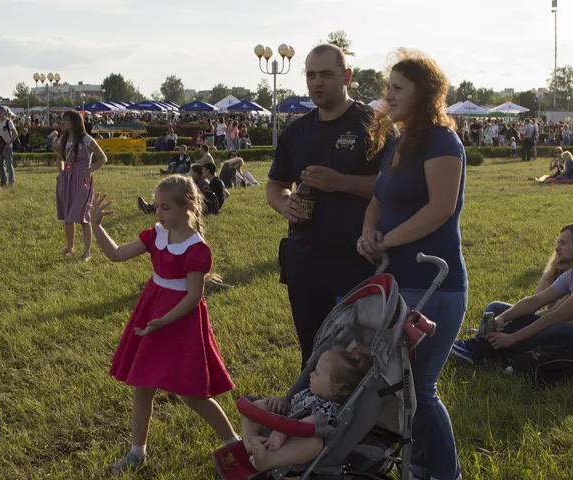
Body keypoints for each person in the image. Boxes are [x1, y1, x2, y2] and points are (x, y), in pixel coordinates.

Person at [356, 49, 466, 480]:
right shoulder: (398, 145)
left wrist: (387, 240)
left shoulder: (443, 141)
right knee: (399, 391)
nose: (388, 96)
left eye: (398, 88)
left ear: (424, 93)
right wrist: (368, 233)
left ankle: (444, 473)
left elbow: (440, 208)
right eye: (388, 88)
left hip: (434, 284)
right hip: (394, 281)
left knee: (419, 390)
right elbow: (378, 199)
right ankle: (418, 467)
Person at [87, 178, 239, 474]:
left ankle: (233, 441)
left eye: (166, 207)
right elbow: (117, 254)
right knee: (142, 386)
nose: (159, 213)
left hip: (180, 321)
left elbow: (194, 296)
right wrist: (96, 226)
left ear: (188, 208)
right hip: (152, 311)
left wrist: (163, 321)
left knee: (191, 394)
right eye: (157, 206)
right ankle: (136, 453)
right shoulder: (155, 235)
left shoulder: (196, 249)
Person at [266, 43, 381, 368]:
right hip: (305, 260)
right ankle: (314, 415)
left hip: (358, 260)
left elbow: (393, 187)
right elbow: (275, 186)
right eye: (311, 75)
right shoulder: (296, 132)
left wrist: (341, 182)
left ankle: (361, 419)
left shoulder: (373, 125)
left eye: (326, 75)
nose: (317, 82)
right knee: (313, 352)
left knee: (359, 356)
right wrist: (285, 204)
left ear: (346, 76)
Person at [451, 224, 573, 384]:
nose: (557, 248)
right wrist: (503, 317)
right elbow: (535, 301)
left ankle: (480, 351)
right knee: (497, 308)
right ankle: (480, 349)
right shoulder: (572, 274)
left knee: (554, 330)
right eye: (557, 243)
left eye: (563, 243)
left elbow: (555, 317)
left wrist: (513, 337)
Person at [240, 346, 373, 471]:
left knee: (314, 442)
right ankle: (250, 443)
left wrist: (283, 431)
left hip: (292, 444)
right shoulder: (309, 393)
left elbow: (316, 422)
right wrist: (281, 402)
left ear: (336, 388)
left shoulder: (330, 408)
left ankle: (268, 460)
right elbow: (291, 407)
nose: (311, 374)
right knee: (257, 405)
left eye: (317, 373)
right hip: (277, 432)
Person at [56, 111, 107, 262]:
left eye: (66, 120)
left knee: (84, 216)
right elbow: (60, 159)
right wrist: (61, 174)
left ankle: (87, 252)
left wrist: (89, 170)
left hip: (82, 179)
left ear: (75, 122)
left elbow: (103, 158)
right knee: (68, 215)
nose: (63, 123)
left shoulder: (86, 139)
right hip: (67, 179)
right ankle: (70, 247)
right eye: (62, 120)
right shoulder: (63, 140)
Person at [0, 108, 18, 187]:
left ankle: (11, 183)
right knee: (0, 165)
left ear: (5, 112)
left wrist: (8, 143)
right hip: (0, 147)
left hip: (7, 147)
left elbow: (15, 134)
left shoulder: (8, 122)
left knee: (9, 166)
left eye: (1, 111)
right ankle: (3, 182)